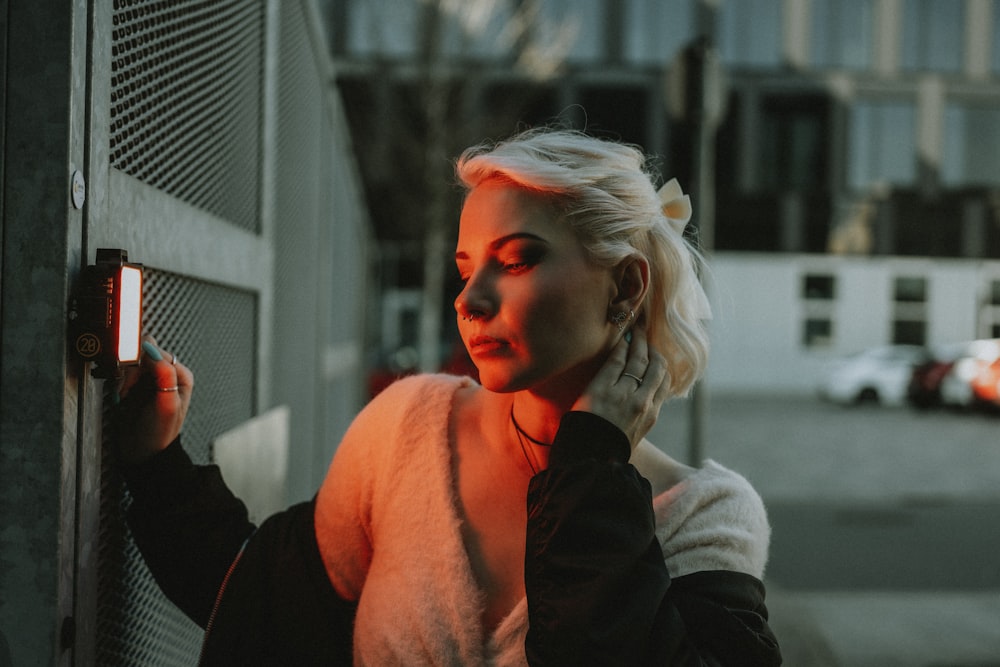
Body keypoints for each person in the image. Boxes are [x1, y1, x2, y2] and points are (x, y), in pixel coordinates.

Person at [116, 127, 782, 665]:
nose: (470, 299)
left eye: (516, 259)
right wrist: (157, 462)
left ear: (627, 286)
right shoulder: (409, 426)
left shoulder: (707, 517)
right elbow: (261, 601)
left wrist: (592, 470)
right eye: (466, 268)